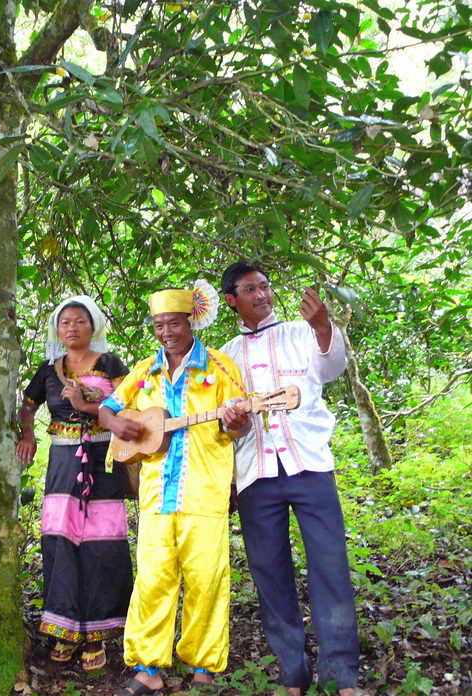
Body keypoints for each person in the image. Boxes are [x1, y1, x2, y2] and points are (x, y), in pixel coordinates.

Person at [219, 261, 365, 696]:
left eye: (265, 287)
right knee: (270, 577)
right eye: (250, 289)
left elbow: (331, 367)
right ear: (232, 300)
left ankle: (341, 677)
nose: (262, 294)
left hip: (310, 467)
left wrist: (323, 327)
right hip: (255, 476)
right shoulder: (225, 356)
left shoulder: (301, 333)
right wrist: (234, 424)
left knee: (331, 568)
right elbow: (227, 427)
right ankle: (292, 675)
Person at [99, 283, 250, 696]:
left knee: (206, 578)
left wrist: (236, 420)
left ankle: (203, 666)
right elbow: (107, 408)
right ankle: (148, 668)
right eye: (159, 324)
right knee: (152, 580)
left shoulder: (219, 367)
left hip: (205, 492)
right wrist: (118, 424)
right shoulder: (145, 371)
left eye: (174, 323)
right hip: (155, 497)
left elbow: (242, 423)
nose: (166, 331)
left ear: (191, 321)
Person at [16, 296, 132, 671]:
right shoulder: (50, 370)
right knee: (61, 540)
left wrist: (92, 405)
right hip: (63, 462)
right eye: (65, 322)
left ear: (93, 325)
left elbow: (134, 402)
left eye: (79, 321)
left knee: (102, 543)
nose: (71, 328)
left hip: (104, 459)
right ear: (57, 329)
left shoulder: (111, 364)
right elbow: (28, 405)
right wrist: (29, 434)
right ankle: (64, 629)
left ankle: (97, 632)